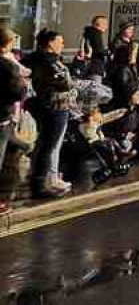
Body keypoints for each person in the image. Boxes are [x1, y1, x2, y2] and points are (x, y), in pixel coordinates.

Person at [27, 29, 75, 198]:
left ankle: (41, 180)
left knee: (44, 144)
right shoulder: (49, 61)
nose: (62, 44)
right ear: (50, 43)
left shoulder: (32, 58)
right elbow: (66, 83)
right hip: (55, 106)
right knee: (50, 145)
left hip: (43, 105)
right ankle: (41, 184)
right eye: (59, 41)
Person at [1, 27, 29, 212]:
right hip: (3, 118)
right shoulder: (7, 65)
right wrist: (24, 85)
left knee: (21, 146)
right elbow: (17, 91)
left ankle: (6, 193)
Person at [107, 33, 139, 110]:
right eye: (134, 53)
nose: (135, 56)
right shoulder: (123, 69)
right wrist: (135, 92)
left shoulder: (130, 68)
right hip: (123, 105)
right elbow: (126, 89)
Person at [78, 15, 110, 82]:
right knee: (95, 89)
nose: (106, 27)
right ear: (99, 25)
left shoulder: (87, 33)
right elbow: (99, 50)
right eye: (105, 24)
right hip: (95, 67)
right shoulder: (96, 34)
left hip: (87, 66)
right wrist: (109, 52)